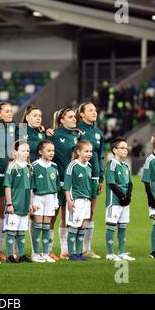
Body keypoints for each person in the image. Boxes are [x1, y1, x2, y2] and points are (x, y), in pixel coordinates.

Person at [49, 108, 80, 260]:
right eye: (70, 117)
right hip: (55, 181)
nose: (74, 119)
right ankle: (47, 250)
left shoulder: (76, 135)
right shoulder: (54, 135)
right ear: (61, 120)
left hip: (71, 183)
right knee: (51, 217)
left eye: (75, 116)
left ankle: (65, 250)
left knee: (67, 217)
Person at [0, 102, 19, 261]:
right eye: (7, 111)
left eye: (11, 111)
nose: (10, 113)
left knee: (3, 211)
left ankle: (0, 250)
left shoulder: (14, 128)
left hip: (9, 175)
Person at [76, 101, 104, 259]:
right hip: (79, 177)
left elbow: (100, 156)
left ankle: (87, 248)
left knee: (90, 213)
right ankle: (73, 249)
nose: (95, 112)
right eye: (91, 110)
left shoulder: (99, 133)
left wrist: (100, 177)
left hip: (93, 177)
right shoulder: (77, 131)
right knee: (76, 213)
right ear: (81, 114)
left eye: (95, 110)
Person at [105, 139, 135, 261]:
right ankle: (110, 254)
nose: (125, 150)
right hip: (115, 201)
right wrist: (122, 197)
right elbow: (111, 183)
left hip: (124, 201)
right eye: (122, 148)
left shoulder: (126, 165)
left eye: (126, 148)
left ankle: (122, 252)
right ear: (114, 150)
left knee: (123, 226)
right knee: (111, 226)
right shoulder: (111, 165)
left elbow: (130, 184)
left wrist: (128, 197)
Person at [63, 140, 93, 261]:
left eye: (90, 151)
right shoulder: (72, 166)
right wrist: (69, 201)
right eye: (86, 151)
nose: (89, 153)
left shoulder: (89, 166)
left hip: (86, 201)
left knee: (83, 227)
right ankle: (71, 254)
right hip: (75, 201)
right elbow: (66, 186)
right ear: (78, 152)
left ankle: (79, 253)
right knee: (74, 227)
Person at [3, 140, 33, 263]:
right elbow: (7, 186)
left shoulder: (28, 167)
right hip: (14, 203)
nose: (26, 153)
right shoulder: (12, 167)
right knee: (11, 230)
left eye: (28, 151)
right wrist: (9, 204)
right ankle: (9, 255)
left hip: (25, 204)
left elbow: (30, 188)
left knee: (21, 231)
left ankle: (21, 255)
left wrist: (30, 203)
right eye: (23, 150)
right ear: (15, 152)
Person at [31, 140, 59, 263]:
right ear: (40, 152)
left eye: (53, 150)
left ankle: (46, 253)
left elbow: (56, 185)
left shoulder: (54, 166)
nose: (52, 153)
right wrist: (31, 202)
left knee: (47, 227)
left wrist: (56, 200)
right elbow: (31, 186)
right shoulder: (35, 165)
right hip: (38, 197)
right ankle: (36, 253)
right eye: (49, 150)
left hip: (50, 199)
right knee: (38, 226)